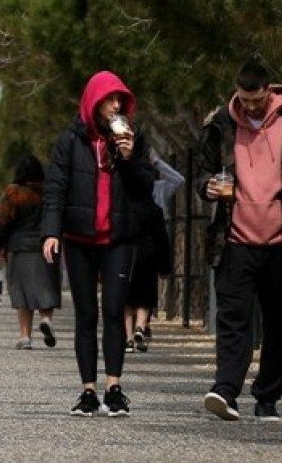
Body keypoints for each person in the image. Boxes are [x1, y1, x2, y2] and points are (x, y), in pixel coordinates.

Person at [199, 61, 282, 422]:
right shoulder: (219, 124)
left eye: (256, 100)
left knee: (278, 324)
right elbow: (205, 170)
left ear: (269, 92)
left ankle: (267, 397)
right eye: (243, 99)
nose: (250, 107)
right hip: (235, 239)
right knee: (233, 319)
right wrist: (207, 187)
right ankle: (225, 391)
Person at [41, 70, 157, 418]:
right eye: (109, 99)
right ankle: (88, 390)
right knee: (86, 315)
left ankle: (114, 387)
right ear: (94, 102)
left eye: (120, 99)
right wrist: (51, 231)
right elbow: (55, 188)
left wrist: (128, 157)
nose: (116, 105)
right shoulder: (69, 142)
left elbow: (145, 188)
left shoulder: (134, 140)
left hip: (119, 239)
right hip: (78, 239)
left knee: (113, 311)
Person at [0, 155, 60, 350]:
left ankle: (25, 336)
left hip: (19, 248)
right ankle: (46, 320)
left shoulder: (13, 193)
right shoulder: (49, 192)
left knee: (22, 294)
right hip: (47, 246)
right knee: (46, 288)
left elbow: (2, 223)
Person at [126, 155, 181, 352]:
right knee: (145, 296)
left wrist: (155, 161)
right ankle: (141, 326)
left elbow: (178, 180)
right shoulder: (155, 207)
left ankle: (128, 337)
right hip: (149, 253)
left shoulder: (124, 205)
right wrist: (164, 265)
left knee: (127, 298)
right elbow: (162, 238)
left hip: (127, 254)